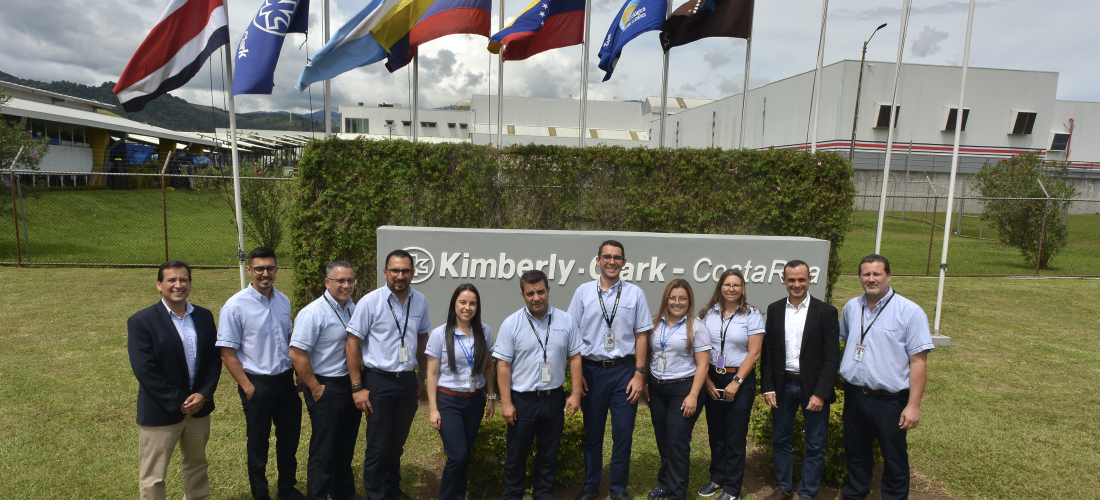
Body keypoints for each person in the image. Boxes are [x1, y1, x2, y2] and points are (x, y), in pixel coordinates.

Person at [839, 254, 934, 500]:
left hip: (889, 400)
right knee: (856, 451)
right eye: (866, 274)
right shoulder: (851, 307)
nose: (871, 279)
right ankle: (855, 494)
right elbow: (849, 340)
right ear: (859, 277)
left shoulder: (910, 312)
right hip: (855, 394)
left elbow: (918, 361)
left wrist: (913, 406)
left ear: (889, 276)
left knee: (893, 456)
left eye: (877, 274)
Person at [127, 260, 221, 500]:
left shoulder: (203, 316)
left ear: (190, 283)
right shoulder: (141, 321)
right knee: (154, 476)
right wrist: (180, 400)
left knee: (197, 465)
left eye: (184, 279)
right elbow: (145, 369)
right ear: (159, 284)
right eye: (171, 280)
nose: (178, 285)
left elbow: (213, 359)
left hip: (199, 409)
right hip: (160, 411)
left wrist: (203, 394)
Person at [568, 240, 654, 500]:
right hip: (591, 373)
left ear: (624, 263)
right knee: (592, 434)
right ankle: (591, 487)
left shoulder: (635, 293)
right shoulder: (583, 292)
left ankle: (618, 488)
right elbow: (572, 337)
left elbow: (641, 336)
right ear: (598, 261)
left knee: (623, 434)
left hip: (624, 373)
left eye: (617, 257)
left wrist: (640, 375)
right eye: (607, 256)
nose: (612, 261)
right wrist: (578, 373)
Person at [217, 247, 304, 500]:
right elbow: (227, 353)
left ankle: (286, 490)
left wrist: (297, 372)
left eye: (270, 268)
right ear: (249, 270)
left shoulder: (283, 300)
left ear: (277, 269)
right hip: (257, 385)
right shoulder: (234, 307)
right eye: (259, 269)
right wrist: (247, 387)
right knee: (258, 446)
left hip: (285, 383)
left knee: (288, 442)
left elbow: (289, 337)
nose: (265, 274)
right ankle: (261, 494)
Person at [346, 249, 432, 500]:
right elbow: (352, 343)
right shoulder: (370, 302)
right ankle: (376, 493)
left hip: (406, 381)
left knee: (396, 443)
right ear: (385, 272)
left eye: (405, 271)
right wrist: (357, 386)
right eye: (395, 270)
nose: (400, 275)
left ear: (413, 274)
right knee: (378, 444)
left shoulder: (420, 301)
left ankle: (392, 490)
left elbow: (422, 336)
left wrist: (421, 374)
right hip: (378, 381)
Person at [494, 270, 584, 500]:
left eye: (541, 291)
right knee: (516, 455)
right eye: (530, 293)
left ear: (548, 290)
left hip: (554, 399)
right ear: (522, 294)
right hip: (522, 400)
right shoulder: (511, 323)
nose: (536, 297)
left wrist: (575, 394)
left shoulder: (566, 320)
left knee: (548, 455)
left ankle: (543, 496)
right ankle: (512, 496)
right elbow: (502, 365)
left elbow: (574, 358)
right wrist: (505, 403)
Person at [761, 261, 840, 500]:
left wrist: (821, 393)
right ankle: (783, 488)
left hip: (813, 388)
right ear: (784, 280)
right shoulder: (774, 309)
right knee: (781, 439)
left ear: (810, 280)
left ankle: (807, 493)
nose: (797, 284)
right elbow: (769, 353)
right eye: (792, 280)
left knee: (815, 444)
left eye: (802, 280)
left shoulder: (826, 312)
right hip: (783, 385)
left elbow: (832, 357)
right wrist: (768, 387)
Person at [289, 261, 366, 500]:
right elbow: (297, 353)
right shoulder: (313, 312)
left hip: (350, 384)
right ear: (327, 282)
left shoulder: (354, 308)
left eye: (350, 280)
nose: (346, 285)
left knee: (345, 445)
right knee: (324, 449)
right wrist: (314, 386)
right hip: (326, 385)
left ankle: (343, 493)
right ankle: (318, 495)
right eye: (340, 281)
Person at [695, 270, 764, 500]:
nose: (731, 288)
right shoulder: (708, 313)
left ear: (743, 288)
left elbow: (754, 353)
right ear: (720, 287)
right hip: (713, 377)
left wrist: (737, 381)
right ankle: (717, 479)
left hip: (739, 379)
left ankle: (732, 488)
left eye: (736, 284)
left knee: (735, 435)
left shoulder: (752, 314)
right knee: (716, 433)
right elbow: (700, 349)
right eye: (727, 284)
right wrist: (706, 380)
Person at [425, 284, 498, 500]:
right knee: (457, 455)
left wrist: (491, 398)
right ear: (454, 304)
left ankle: (459, 496)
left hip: (475, 401)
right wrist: (433, 409)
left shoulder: (484, 331)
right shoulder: (440, 334)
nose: (467, 307)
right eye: (463, 302)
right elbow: (431, 373)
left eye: (472, 303)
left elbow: (489, 367)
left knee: (464, 456)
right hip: (449, 401)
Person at [645, 280, 711, 500]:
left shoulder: (697, 328)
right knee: (663, 440)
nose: (677, 302)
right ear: (666, 298)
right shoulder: (655, 323)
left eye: (682, 298)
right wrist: (645, 383)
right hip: (657, 389)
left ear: (689, 301)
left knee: (677, 442)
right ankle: (665, 485)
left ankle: (676, 494)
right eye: (672, 297)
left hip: (683, 389)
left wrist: (693, 395)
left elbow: (703, 365)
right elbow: (649, 355)